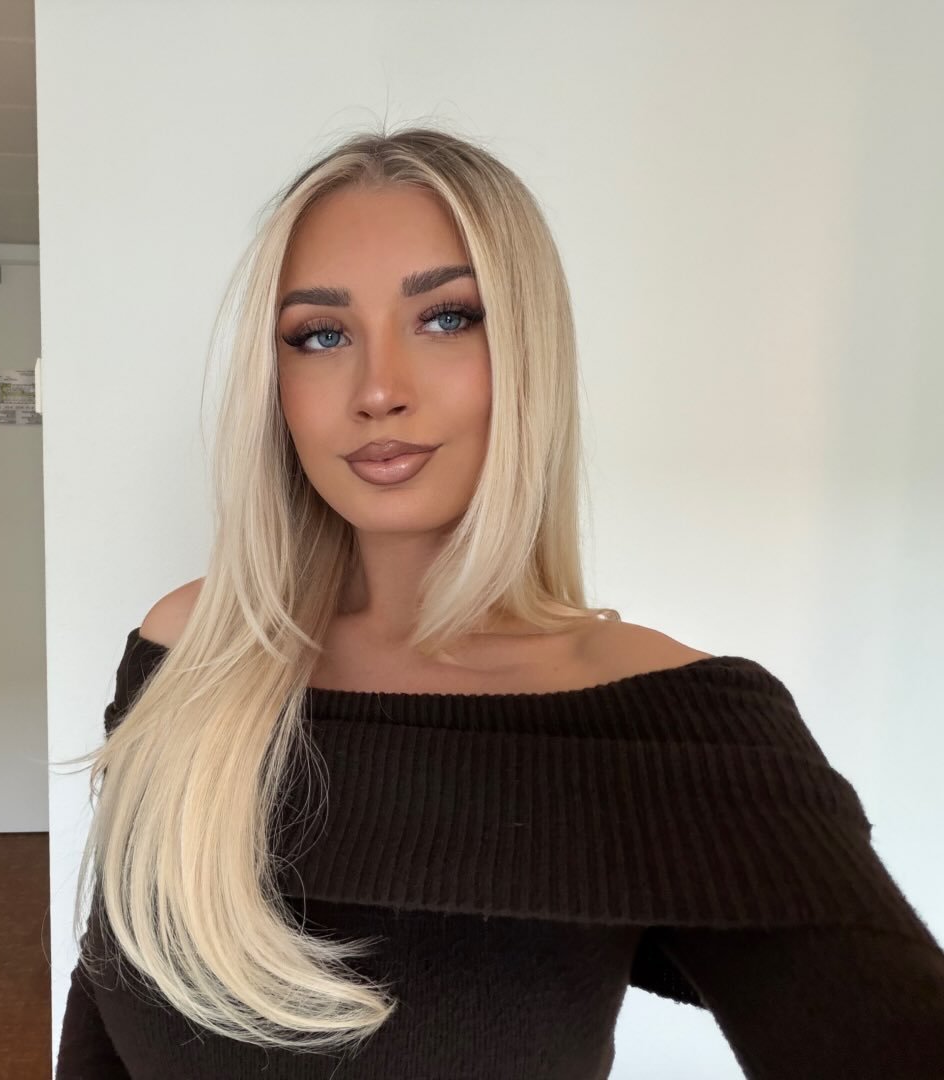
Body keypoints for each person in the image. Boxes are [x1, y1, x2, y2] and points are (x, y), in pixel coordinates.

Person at [55, 126, 944, 1079]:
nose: (378, 390)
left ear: (528, 350)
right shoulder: (191, 650)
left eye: (447, 319)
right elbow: (105, 992)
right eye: (320, 335)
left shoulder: (669, 725)